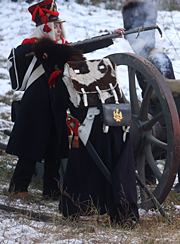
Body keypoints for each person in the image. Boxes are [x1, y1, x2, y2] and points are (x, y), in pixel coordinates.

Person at [6, 0, 120, 200]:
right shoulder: (31, 46)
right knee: (31, 146)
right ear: (44, 27)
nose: (59, 29)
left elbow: (81, 46)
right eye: (55, 26)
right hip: (37, 101)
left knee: (55, 146)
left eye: (60, 25)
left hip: (56, 100)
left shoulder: (59, 48)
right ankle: (18, 187)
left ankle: (51, 189)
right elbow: (55, 50)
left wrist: (108, 38)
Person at [31, 38, 139, 227]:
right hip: (117, 124)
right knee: (121, 167)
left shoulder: (62, 74)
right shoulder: (105, 67)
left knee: (80, 167)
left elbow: (58, 107)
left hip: (88, 131)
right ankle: (124, 215)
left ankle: (74, 208)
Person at [121, 1, 180, 193]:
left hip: (166, 107)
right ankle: (149, 175)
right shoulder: (142, 57)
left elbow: (167, 90)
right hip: (151, 107)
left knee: (178, 133)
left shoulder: (157, 58)